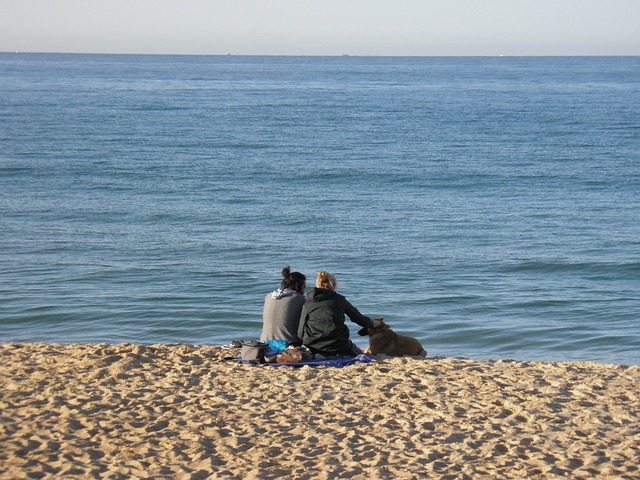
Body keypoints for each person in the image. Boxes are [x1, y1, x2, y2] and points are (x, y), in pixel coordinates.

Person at [298, 271, 382, 357]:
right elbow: (357, 318)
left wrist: (301, 343)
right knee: (358, 352)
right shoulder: (339, 300)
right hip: (337, 345)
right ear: (334, 286)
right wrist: (372, 323)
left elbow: (301, 330)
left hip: (313, 345)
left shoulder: (308, 301)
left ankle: (320, 354)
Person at [260, 266, 306, 347]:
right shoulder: (299, 298)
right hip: (288, 343)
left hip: (265, 342)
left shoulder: (269, 296)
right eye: (304, 287)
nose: (304, 290)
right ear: (297, 286)